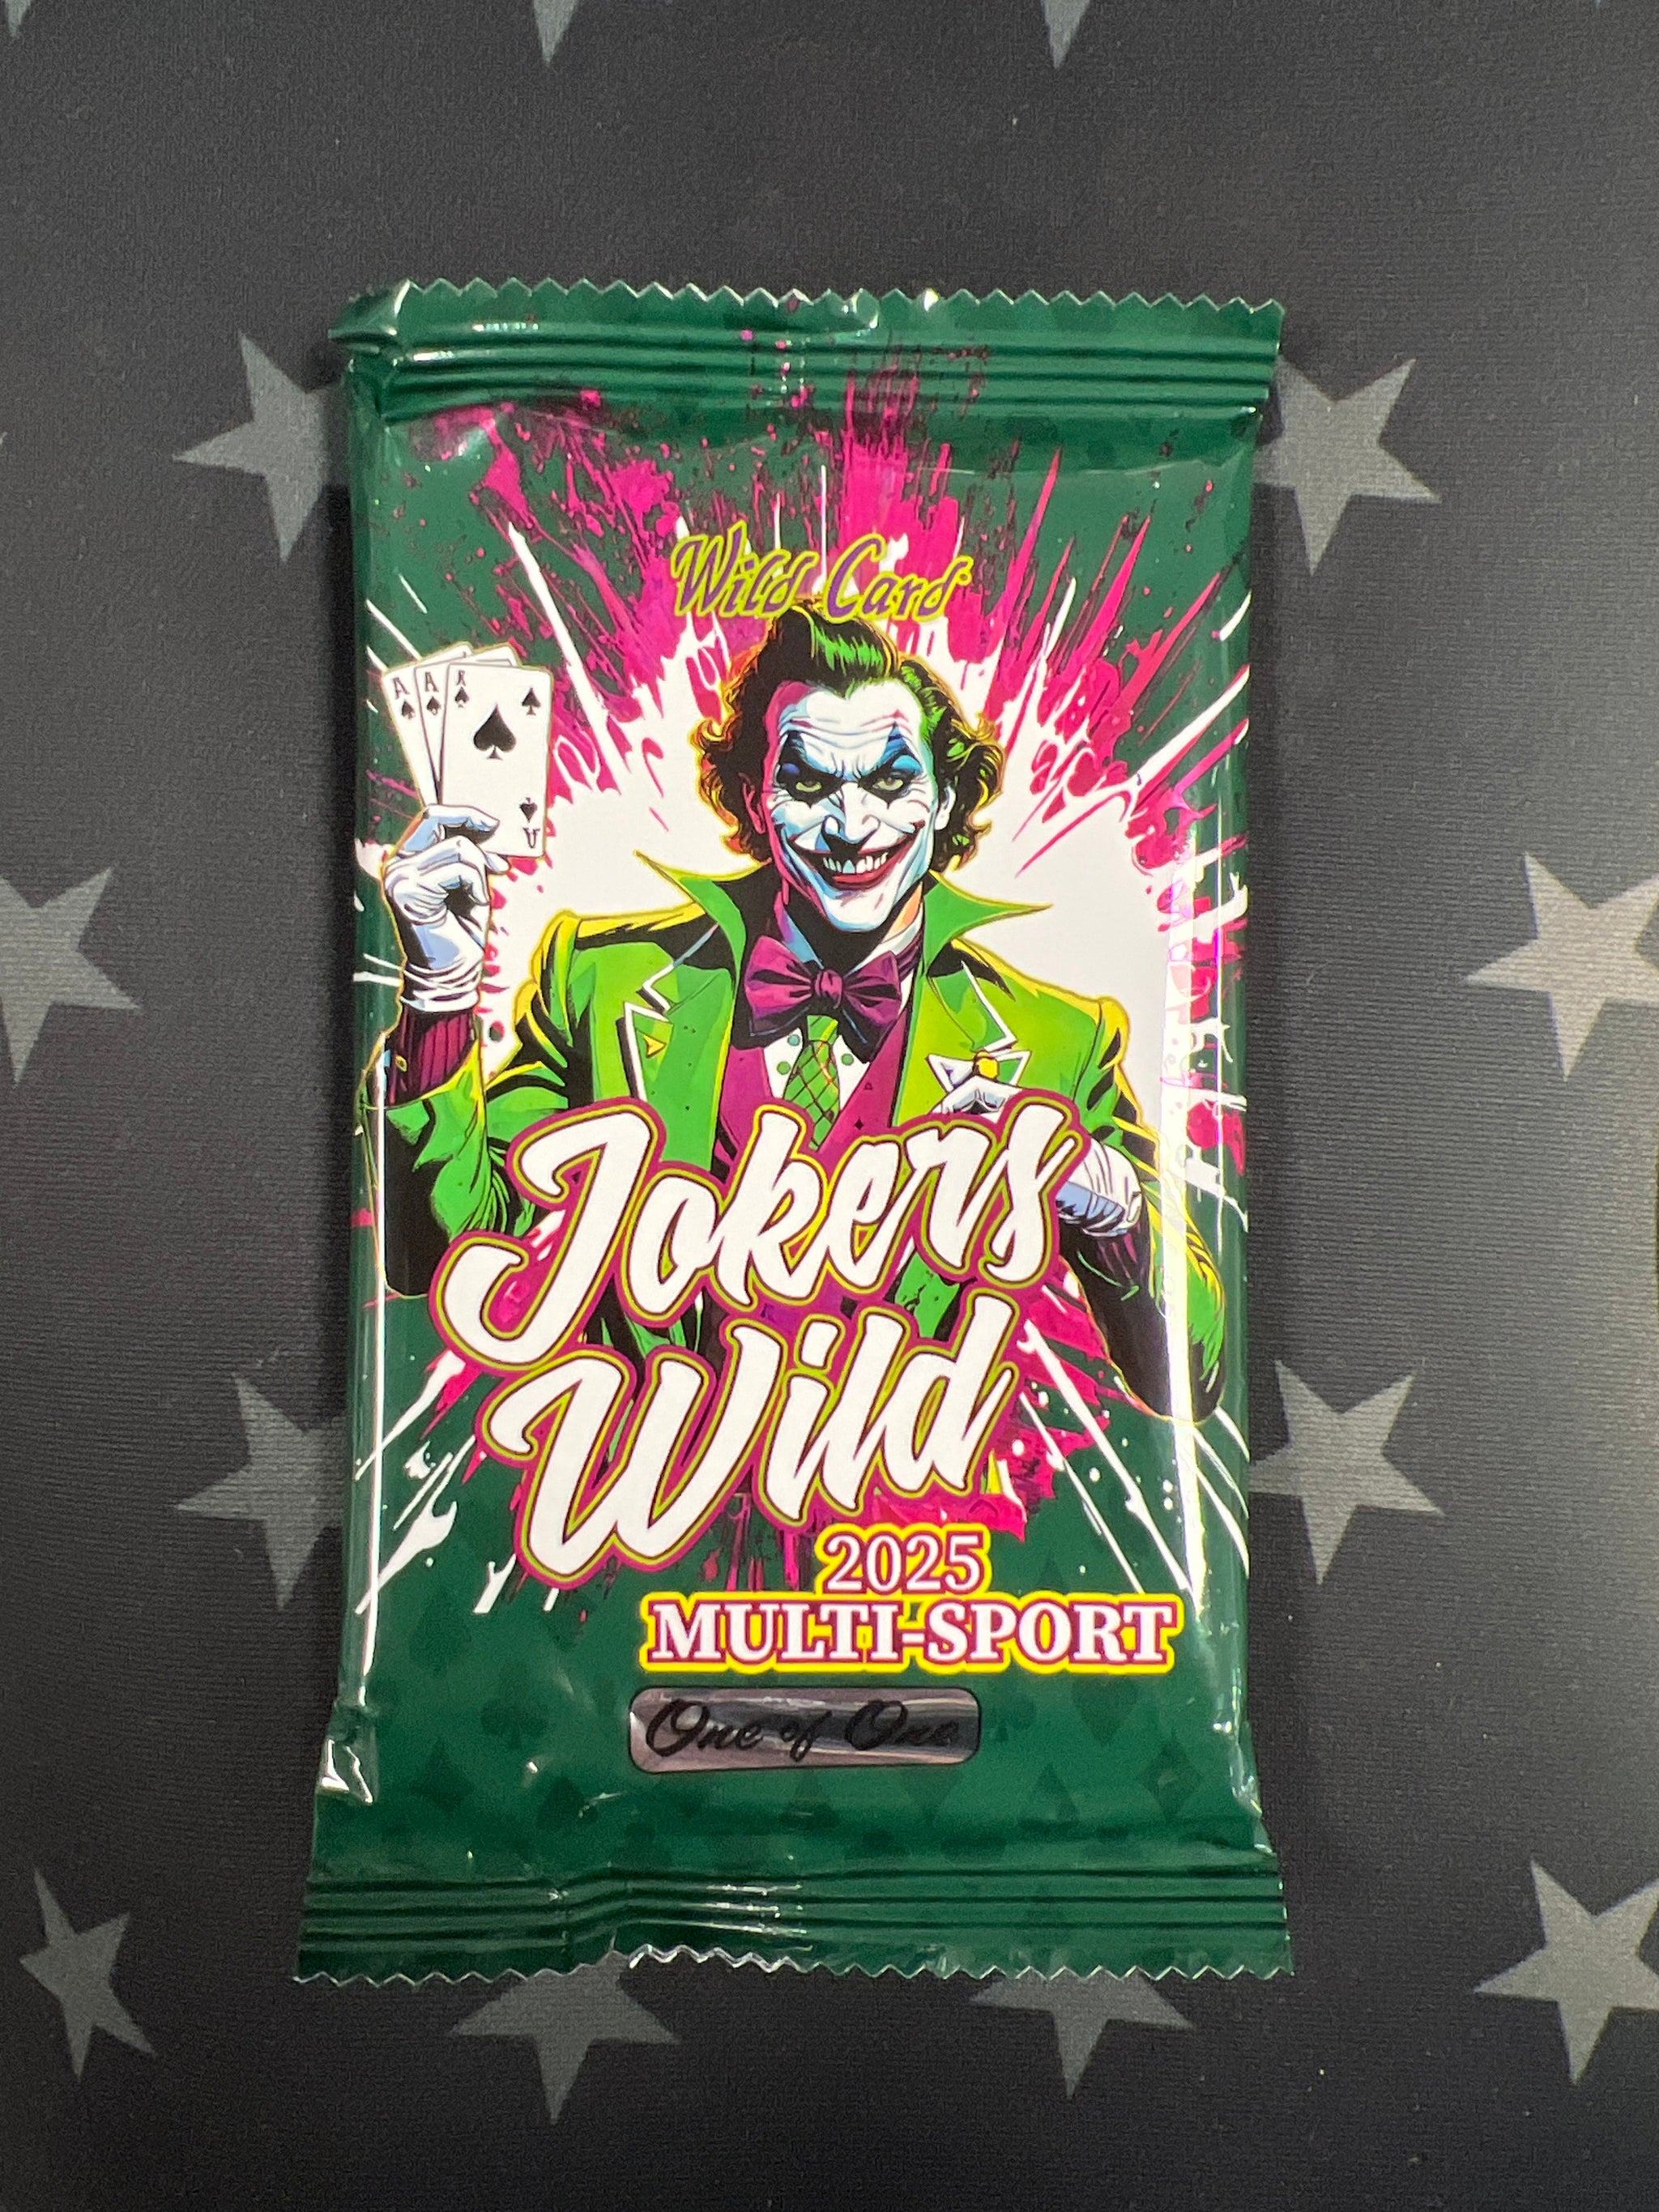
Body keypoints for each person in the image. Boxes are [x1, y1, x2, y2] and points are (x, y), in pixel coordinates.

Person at [375, 604, 1223, 1419]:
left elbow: (1193, 1373)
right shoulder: (601, 982)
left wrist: (1107, 1199)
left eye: (891, 781)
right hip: (636, 1496)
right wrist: (439, 988)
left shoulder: (1055, 1045)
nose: (852, 826)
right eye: (809, 784)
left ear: (943, 801)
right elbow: (439, 1253)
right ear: (753, 800)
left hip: (901, 1505)